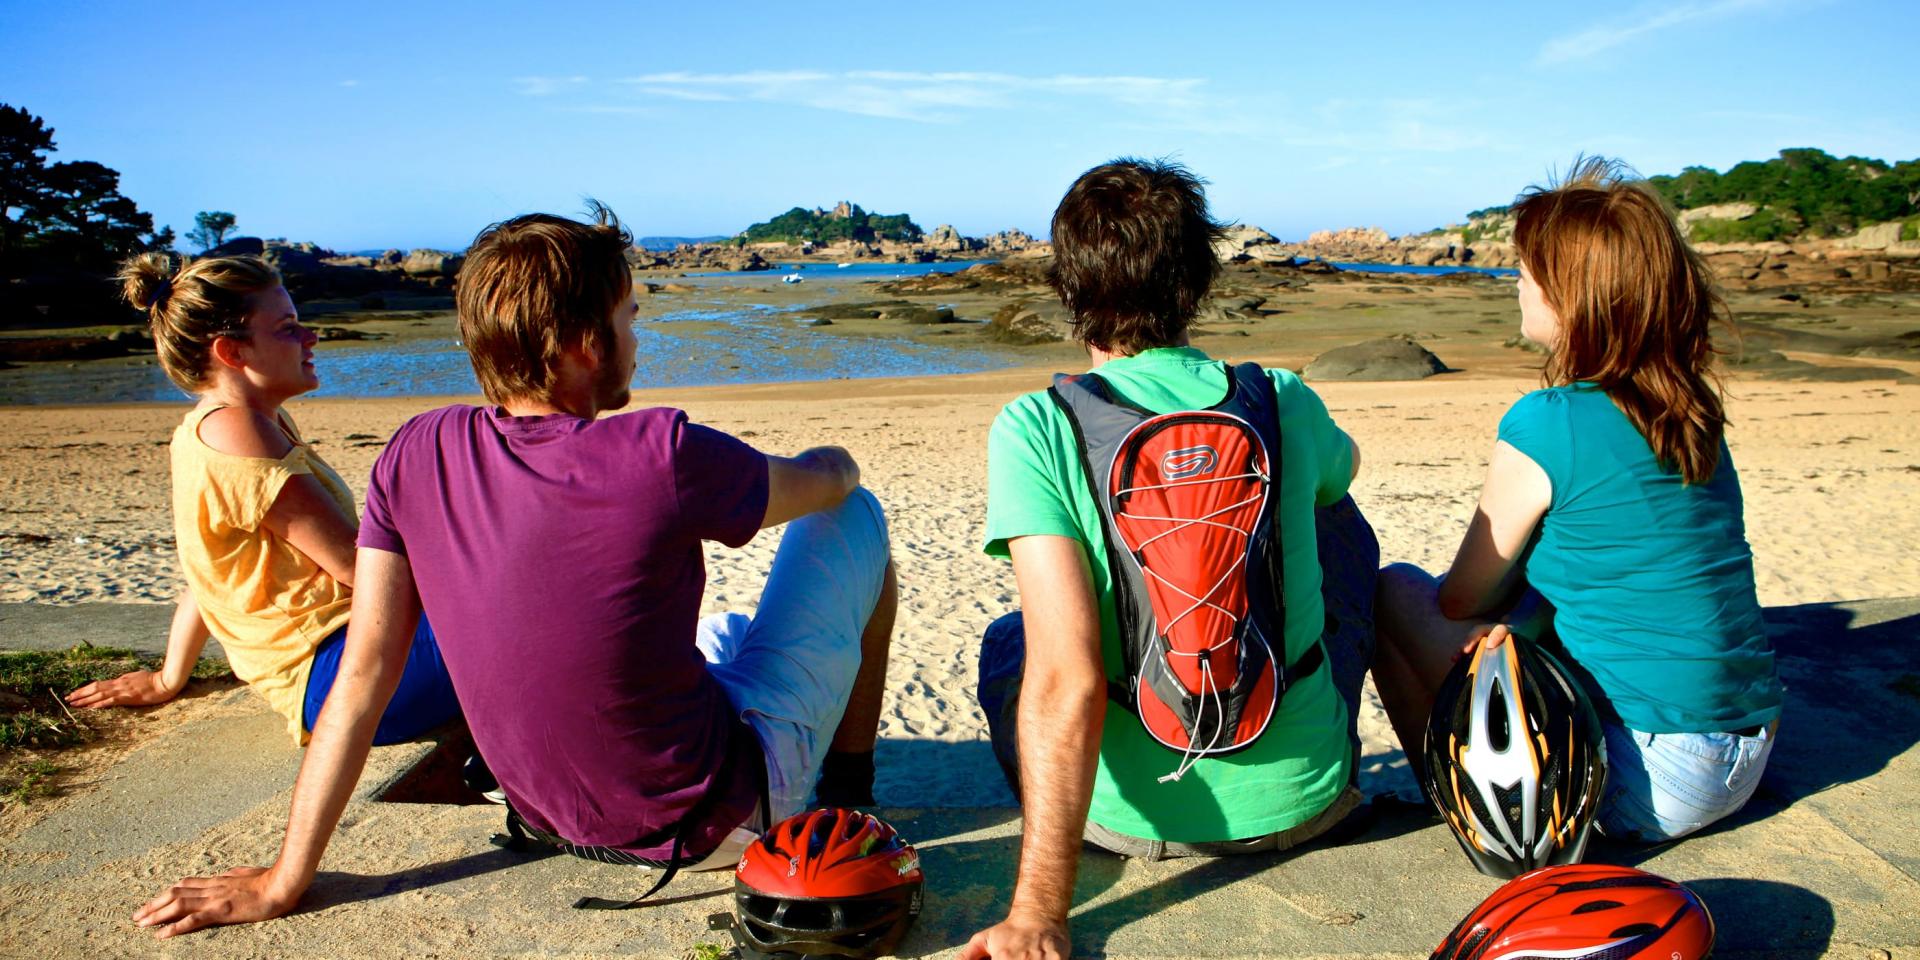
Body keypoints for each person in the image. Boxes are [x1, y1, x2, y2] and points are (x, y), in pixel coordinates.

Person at [130, 203, 897, 937]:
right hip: (715, 822)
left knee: (729, 628)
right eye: (630, 318)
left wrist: (282, 878)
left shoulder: (415, 449)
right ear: (585, 345)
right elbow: (827, 483)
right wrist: (837, 463)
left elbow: (363, 673)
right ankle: (851, 797)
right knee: (855, 520)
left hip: (547, 812)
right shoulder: (659, 453)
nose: (637, 337)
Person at [962, 159, 1377, 960]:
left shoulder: (1036, 427)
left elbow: (1066, 678)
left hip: (1127, 830)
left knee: (1015, 640)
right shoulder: (1280, 396)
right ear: (1200, 279)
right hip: (1308, 806)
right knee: (1338, 523)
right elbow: (1345, 471)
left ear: (1067, 287)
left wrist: (1039, 913)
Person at [1372, 157, 1783, 846]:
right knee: (1524, 613)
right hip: (1744, 751)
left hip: (1653, 778)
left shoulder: (1547, 422)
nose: (1518, 286)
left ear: (1572, 298)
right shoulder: (1688, 407)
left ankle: (1469, 813)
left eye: (1528, 273)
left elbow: (1458, 601)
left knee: (1395, 594)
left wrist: (1503, 617)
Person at [67, 254, 459, 747]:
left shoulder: (220, 426)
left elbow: (209, 573)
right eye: (288, 328)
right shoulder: (239, 433)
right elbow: (357, 569)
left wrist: (170, 677)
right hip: (339, 676)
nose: (310, 337)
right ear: (232, 352)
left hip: (343, 658)